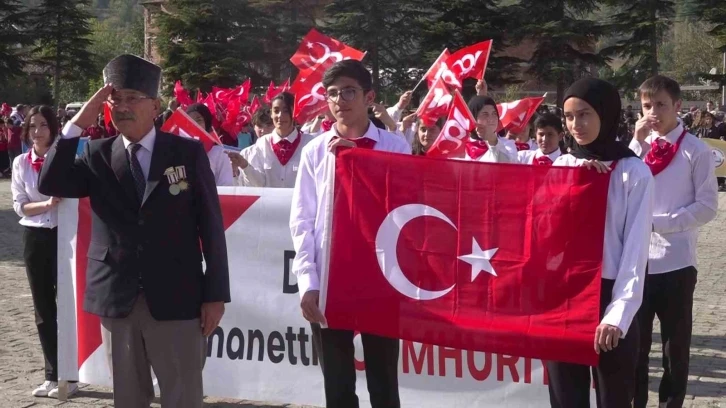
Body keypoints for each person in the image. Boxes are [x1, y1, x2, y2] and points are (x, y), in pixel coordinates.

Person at [38, 54, 229, 408]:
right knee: (128, 397)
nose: (122, 107)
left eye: (132, 98)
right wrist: (79, 122)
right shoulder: (96, 154)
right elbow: (50, 181)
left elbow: (211, 226)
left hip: (177, 296)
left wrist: (215, 294)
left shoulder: (186, 153)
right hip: (118, 298)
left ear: (155, 105)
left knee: (183, 394)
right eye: (115, 100)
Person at [291, 60, 410, 408]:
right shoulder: (315, 151)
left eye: (348, 91)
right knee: (338, 388)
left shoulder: (394, 147)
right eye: (332, 93)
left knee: (384, 384)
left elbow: (402, 208)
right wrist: (308, 283)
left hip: (381, 279)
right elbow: (302, 220)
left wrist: (360, 165)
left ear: (369, 97)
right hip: (331, 278)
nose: (340, 100)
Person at [548, 77, 654, 408]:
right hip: (565, 297)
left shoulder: (633, 172)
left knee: (614, 398)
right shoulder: (562, 166)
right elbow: (544, 232)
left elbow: (636, 251)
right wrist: (574, 185)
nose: (576, 124)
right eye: (568, 116)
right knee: (566, 397)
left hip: (610, 295)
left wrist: (618, 314)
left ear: (605, 114)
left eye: (585, 114)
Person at [629, 75, 718, 408]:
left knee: (674, 349)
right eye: (647, 105)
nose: (654, 112)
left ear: (678, 106)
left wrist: (660, 224)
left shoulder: (696, 150)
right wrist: (635, 144)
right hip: (637, 262)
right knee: (635, 346)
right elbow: (619, 190)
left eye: (661, 105)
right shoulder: (636, 148)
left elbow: (707, 205)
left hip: (677, 262)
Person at [10, 106, 80, 399]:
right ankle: (52, 374)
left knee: (68, 305)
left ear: (53, 129)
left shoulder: (67, 160)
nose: (37, 132)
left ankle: (73, 375)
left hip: (66, 237)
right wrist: (48, 205)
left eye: (43, 126)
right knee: (43, 308)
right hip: (35, 236)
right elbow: (20, 204)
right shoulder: (20, 163)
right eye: (32, 126)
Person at [227, 92, 315, 188]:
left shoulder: (310, 143)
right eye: (276, 111)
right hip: (269, 202)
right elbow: (259, 184)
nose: (280, 116)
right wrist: (245, 165)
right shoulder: (262, 144)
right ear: (271, 114)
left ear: (294, 112)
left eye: (286, 111)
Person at [185, 103, 235, 186]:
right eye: (190, 121)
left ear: (207, 122)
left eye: (199, 120)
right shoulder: (179, 150)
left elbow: (226, 185)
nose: (194, 124)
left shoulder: (219, 153)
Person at [464, 96, 517, 162]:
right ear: (473, 118)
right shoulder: (461, 146)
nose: (491, 119)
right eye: (485, 114)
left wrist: (493, 141)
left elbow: (507, 167)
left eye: (494, 114)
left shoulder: (507, 144)